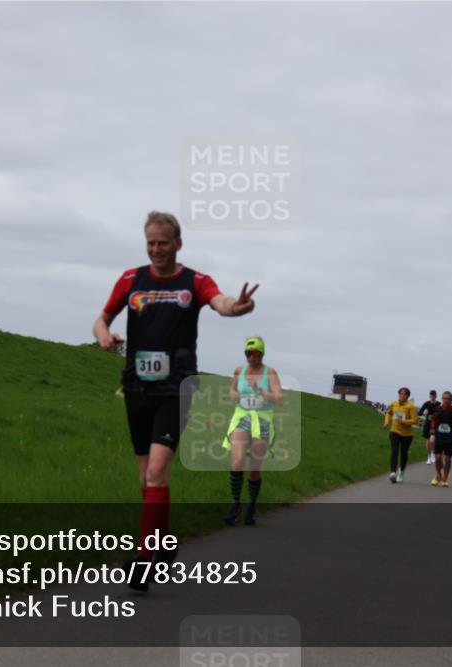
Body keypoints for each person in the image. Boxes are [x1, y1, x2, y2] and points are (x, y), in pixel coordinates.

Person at [94, 211, 258, 591]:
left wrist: (239, 307)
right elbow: (101, 318)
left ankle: (143, 560)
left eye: (163, 243)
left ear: (178, 243)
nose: (156, 250)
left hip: (176, 388)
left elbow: (221, 302)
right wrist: (104, 335)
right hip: (136, 388)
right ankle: (165, 545)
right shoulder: (130, 279)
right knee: (146, 479)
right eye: (150, 243)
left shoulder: (194, 281)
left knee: (155, 472)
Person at [223, 336, 284, 525]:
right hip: (241, 418)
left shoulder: (270, 373)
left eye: (255, 353)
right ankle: (235, 504)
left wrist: (261, 391)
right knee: (237, 460)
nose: (251, 357)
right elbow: (231, 391)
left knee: (254, 469)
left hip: (262, 422)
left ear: (262, 354)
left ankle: (251, 506)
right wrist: (236, 394)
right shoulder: (239, 371)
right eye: (248, 353)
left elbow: (279, 399)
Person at [383, 387, 419, 483]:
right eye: (400, 394)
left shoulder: (411, 407)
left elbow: (415, 420)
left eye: (404, 394)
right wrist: (386, 422)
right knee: (394, 451)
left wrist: (403, 421)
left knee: (404, 454)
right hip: (394, 431)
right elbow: (388, 413)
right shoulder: (394, 403)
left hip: (407, 435)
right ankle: (393, 473)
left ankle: (401, 472)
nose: (402, 396)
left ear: (407, 396)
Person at [430, 391, 452, 487]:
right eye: (444, 398)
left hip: (449, 437)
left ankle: (445, 478)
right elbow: (433, 420)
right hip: (439, 436)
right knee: (438, 458)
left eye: (448, 399)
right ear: (442, 399)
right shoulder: (438, 409)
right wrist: (432, 431)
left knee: (448, 459)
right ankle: (438, 476)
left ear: (451, 400)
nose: (446, 400)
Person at [419, 390, 440, 464]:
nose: (432, 396)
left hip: (435, 425)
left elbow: (443, 412)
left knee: (432, 440)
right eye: (431, 395)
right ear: (429, 396)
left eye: (434, 395)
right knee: (428, 441)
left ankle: (433, 453)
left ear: (436, 396)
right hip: (428, 424)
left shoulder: (439, 404)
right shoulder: (426, 404)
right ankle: (428, 457)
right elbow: (419, 412)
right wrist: (423, 413)